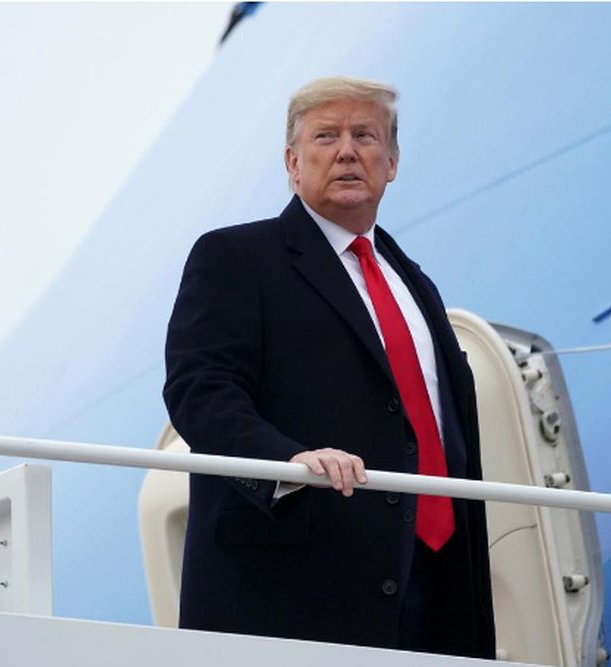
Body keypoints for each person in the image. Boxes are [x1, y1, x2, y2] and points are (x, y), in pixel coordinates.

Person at [163, 76, 495, 659]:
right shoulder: (236, 258)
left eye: (364, 135)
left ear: (391, 163)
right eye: (326, 136)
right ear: (293, 163)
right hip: (293, 585)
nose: (347, 150)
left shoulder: (417, 285)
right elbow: (201, 390)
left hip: (434, 586)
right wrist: (285, 461)